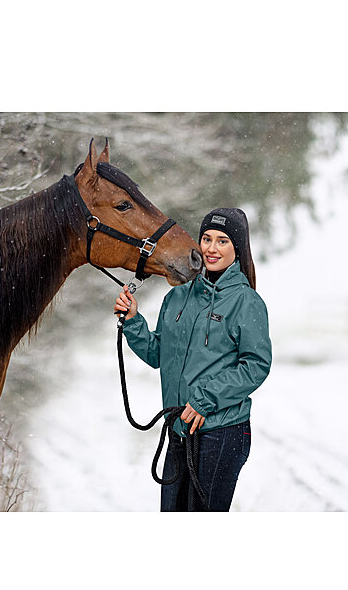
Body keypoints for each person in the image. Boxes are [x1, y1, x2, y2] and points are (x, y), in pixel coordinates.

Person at [114, 208, 272, 511]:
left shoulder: (246, 302)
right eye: (207, 239)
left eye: (222, 241)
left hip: (221, 433)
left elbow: (256, 365)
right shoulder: (176, 296)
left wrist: (205, 399)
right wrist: (133, 322)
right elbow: (157, 354)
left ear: (237, 249)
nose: (211, 249)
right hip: (179, 429)